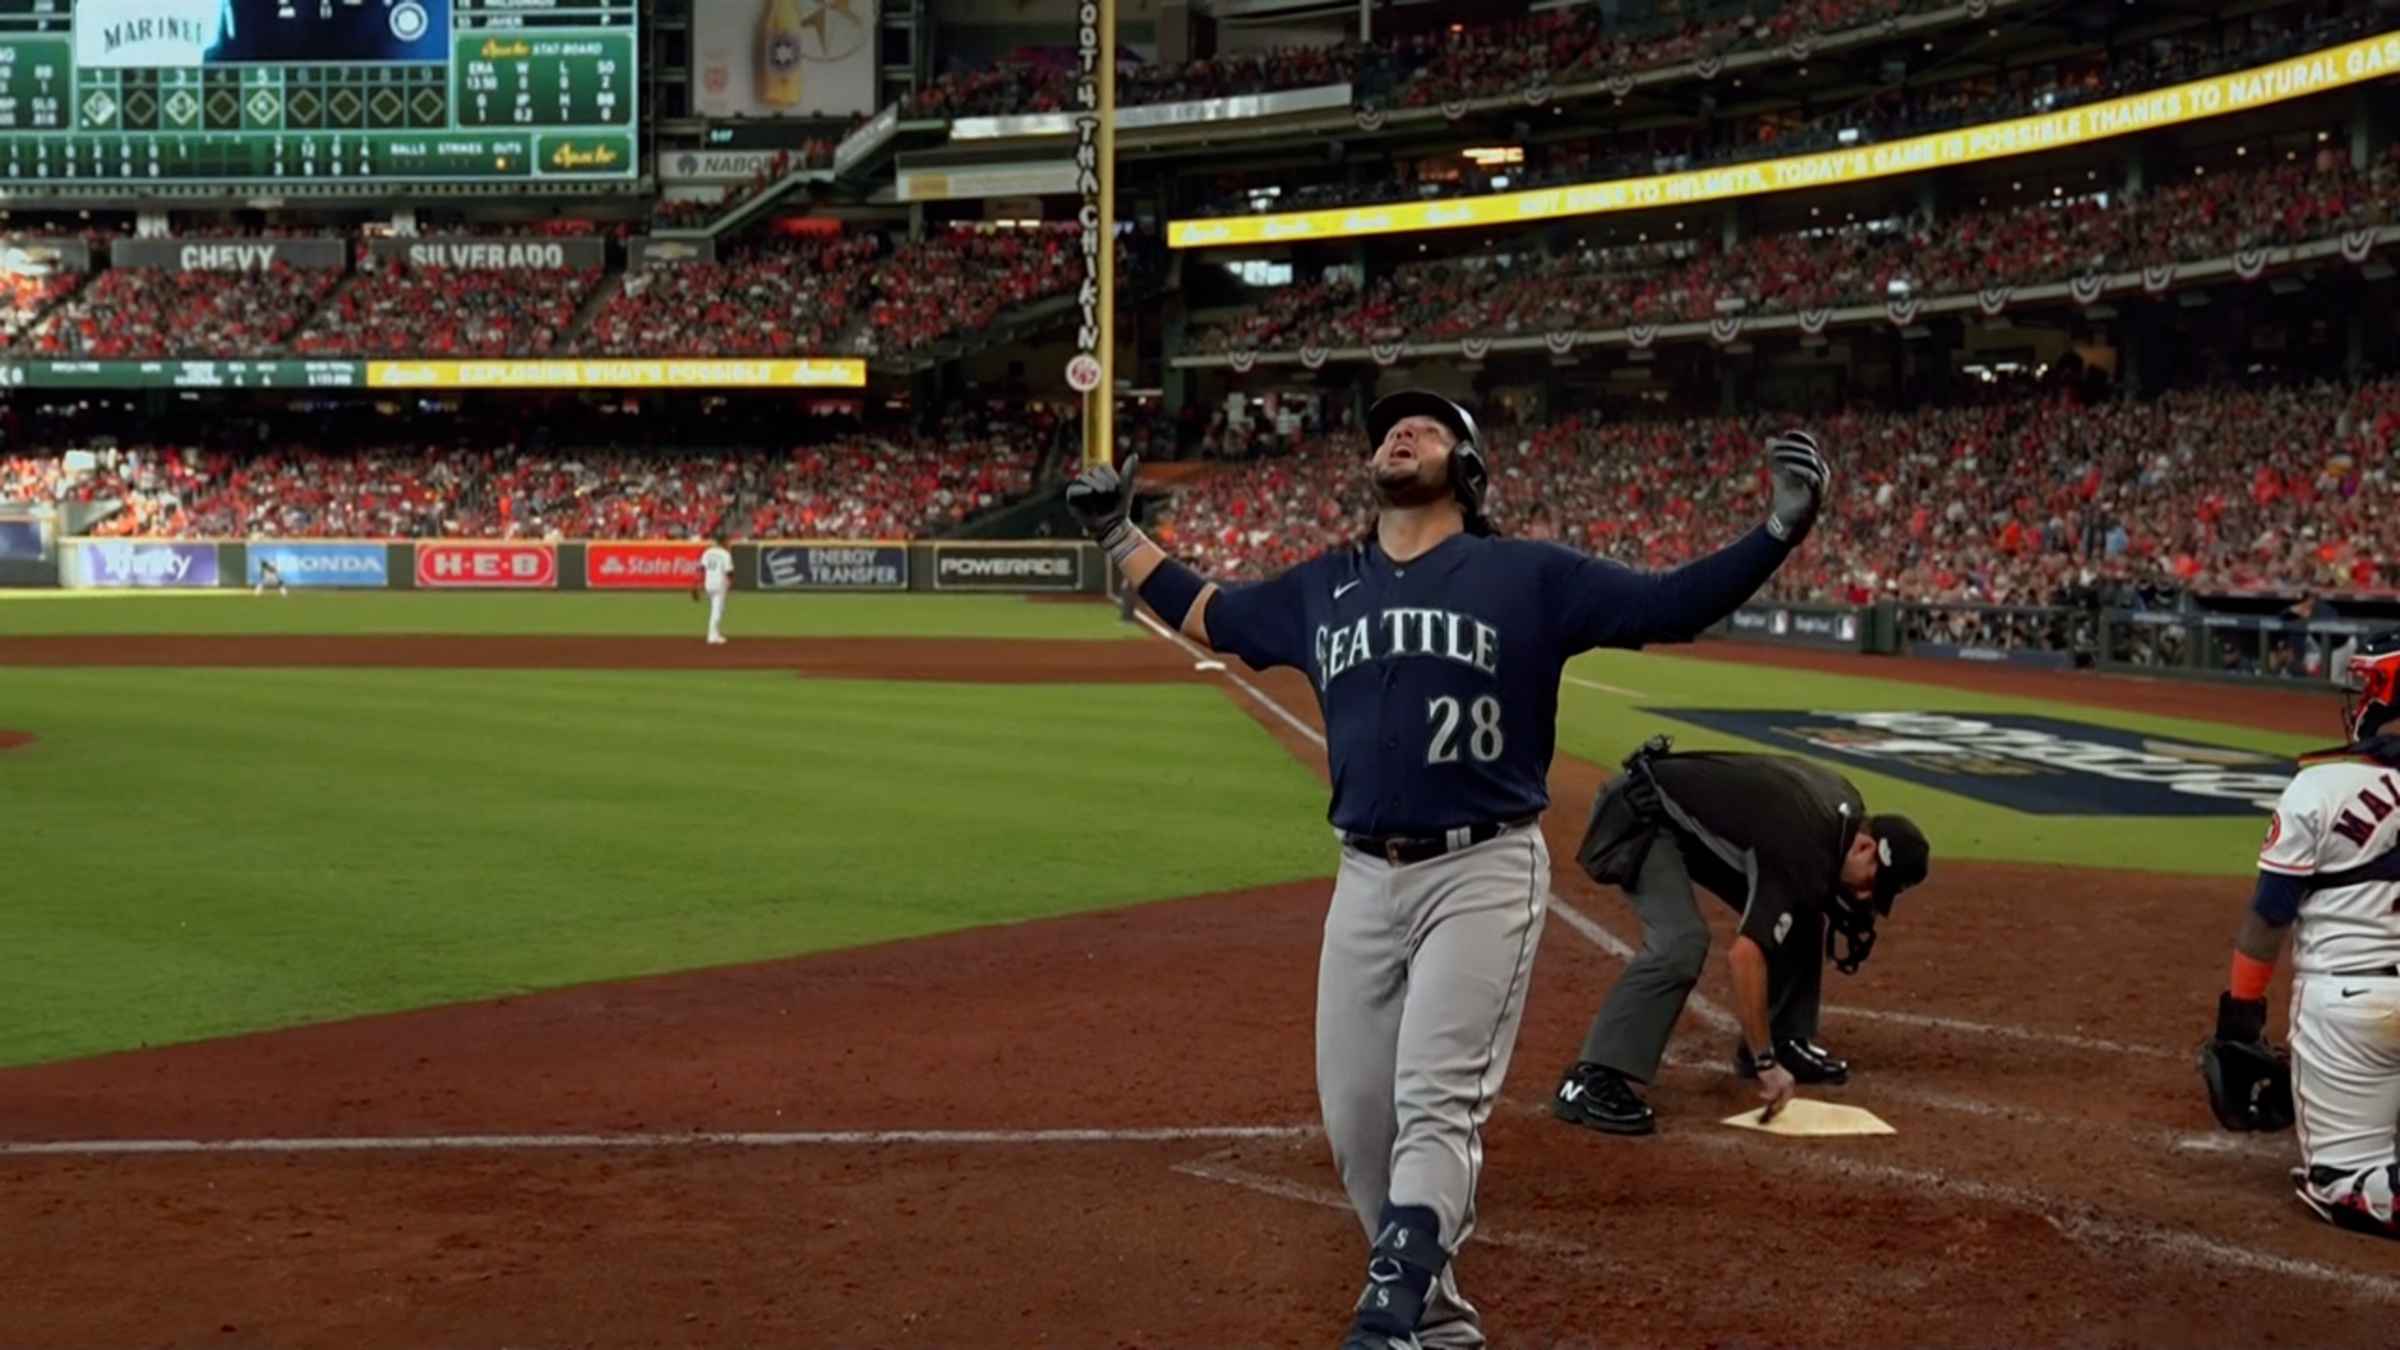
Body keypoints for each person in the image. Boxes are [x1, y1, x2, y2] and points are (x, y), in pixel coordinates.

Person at [1061, 390, 1829, 1349]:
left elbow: (1669, 600)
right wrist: (1116, 534)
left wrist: (1777, 531)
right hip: (1363, 881)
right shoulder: (1324, 584)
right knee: (1356, 1131)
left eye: (1426, 426)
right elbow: (1212, 615)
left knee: (1437, 1099)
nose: (1400, 431)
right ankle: (1438, 1321)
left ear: (1466, 469)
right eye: (1389, 425)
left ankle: (1383, 1316)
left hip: (1482, 871)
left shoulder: (1526, 576)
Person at [1552, 737, 1931, 1134]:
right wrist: (1765, 1064)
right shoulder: (1802, 847)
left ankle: (1785, 1037)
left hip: (1686, 819)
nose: (1864, 897)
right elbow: (1745, 955)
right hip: (1641, 817)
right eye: (1871, 883)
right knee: (1681, 941)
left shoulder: (1843, 813)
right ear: (1865, 845)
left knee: (1803, 912)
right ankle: (1591, 1078)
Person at [2199, 630, 2400, 1239]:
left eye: (2369, 684)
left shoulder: (2321, 785)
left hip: (2349, 1011)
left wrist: (2239, 1021)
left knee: (2346, 1186)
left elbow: (2270, 916)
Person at [697, 531, 734, 644]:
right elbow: (729, 572)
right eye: (727, 540)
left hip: (708, 583)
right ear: (723, 541)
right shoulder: (725, 554)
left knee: (718, 608)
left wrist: (698, 584)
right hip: (719, 583)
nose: (728, 542)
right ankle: (712, 636)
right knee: (717, 610)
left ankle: (715, 633)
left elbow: (701, 568)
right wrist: (731, 583)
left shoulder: (707, 552)